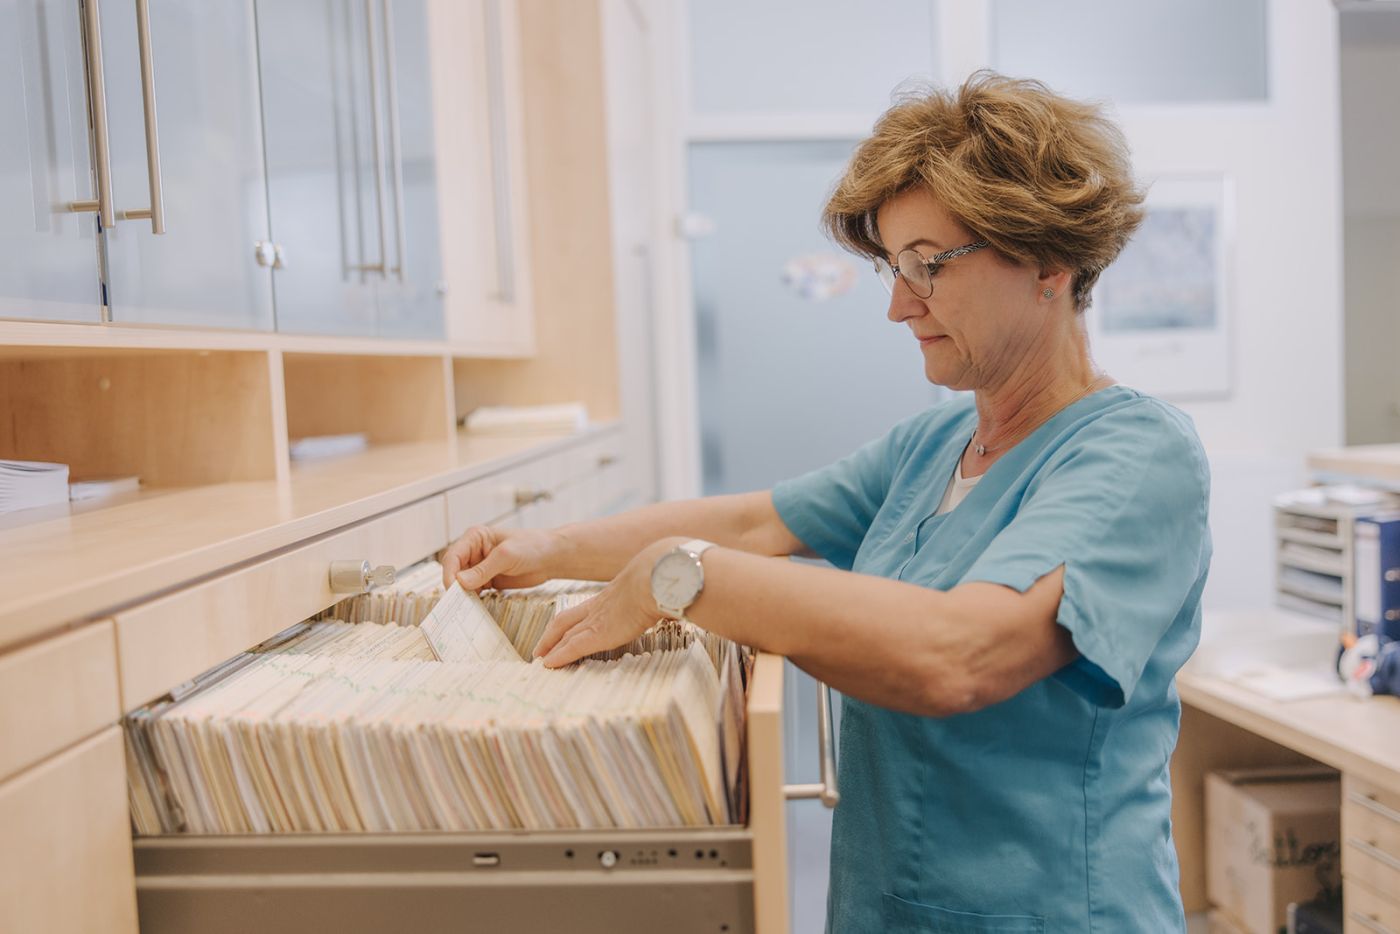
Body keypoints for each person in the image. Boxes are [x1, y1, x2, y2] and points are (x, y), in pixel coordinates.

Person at [443, 71, 1211, 933]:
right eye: (892, 265)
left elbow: (962, 653)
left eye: (928, 265)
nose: (895, 305)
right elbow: (754, 522)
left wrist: (680, 578)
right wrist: (541, 549)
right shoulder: (932, 448)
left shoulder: (1138, 456)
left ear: (1047, 261)